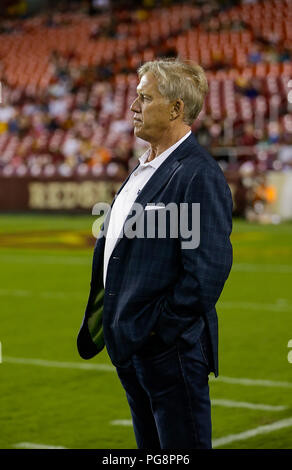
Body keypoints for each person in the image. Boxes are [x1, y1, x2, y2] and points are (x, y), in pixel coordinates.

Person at [77, 58, 233, 449]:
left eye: (144, 98)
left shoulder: (199, 173)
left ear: (177, 109)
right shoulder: (145, 166)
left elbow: (207, 272)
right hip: (133, 345)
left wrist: (157, 331)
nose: (133, 107)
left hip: (167, 349)